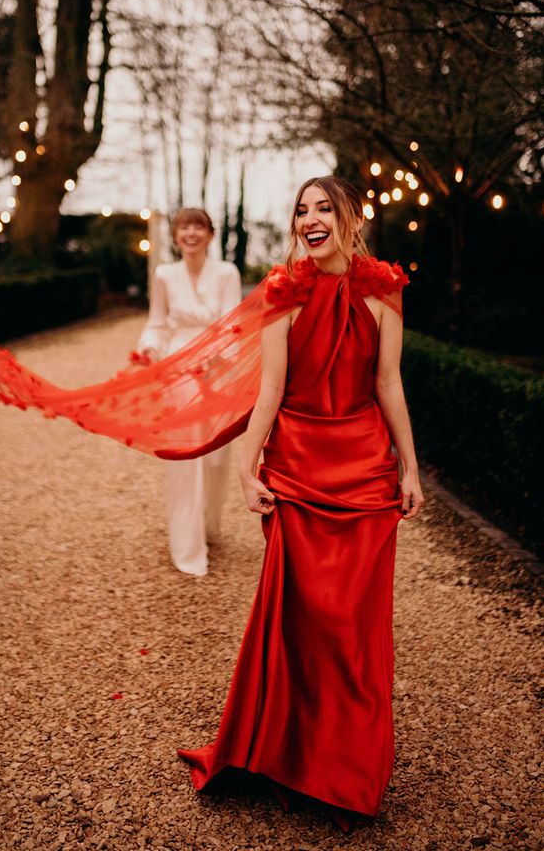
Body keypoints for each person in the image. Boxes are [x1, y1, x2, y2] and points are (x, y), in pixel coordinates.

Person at [177, 176, 424, 829]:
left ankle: (347, 773)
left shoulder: (384, 289)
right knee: (302, 621)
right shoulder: (284, 293)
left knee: (354, 630)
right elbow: (271, 389)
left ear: (349, 218)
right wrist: (247, 464)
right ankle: (292, 756)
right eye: (301, 210)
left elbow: (389, 382)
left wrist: (411, 470)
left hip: (367, 474)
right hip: (297, 471)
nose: (310, 219)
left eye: (324, 208)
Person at [137, 208, 242, 576]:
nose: (191, 233)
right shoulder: (164, 274)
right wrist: (149, 346)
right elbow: (157, 323)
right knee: (184, 458)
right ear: (176, 235)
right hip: (178, 371)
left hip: (219, 370)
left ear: (210, 234)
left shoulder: (226, 273)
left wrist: (219, 358)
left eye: (199, 226)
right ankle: (187, 546)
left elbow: (232, 324)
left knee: (215, 459)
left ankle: (209, 524)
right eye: (185, 227)